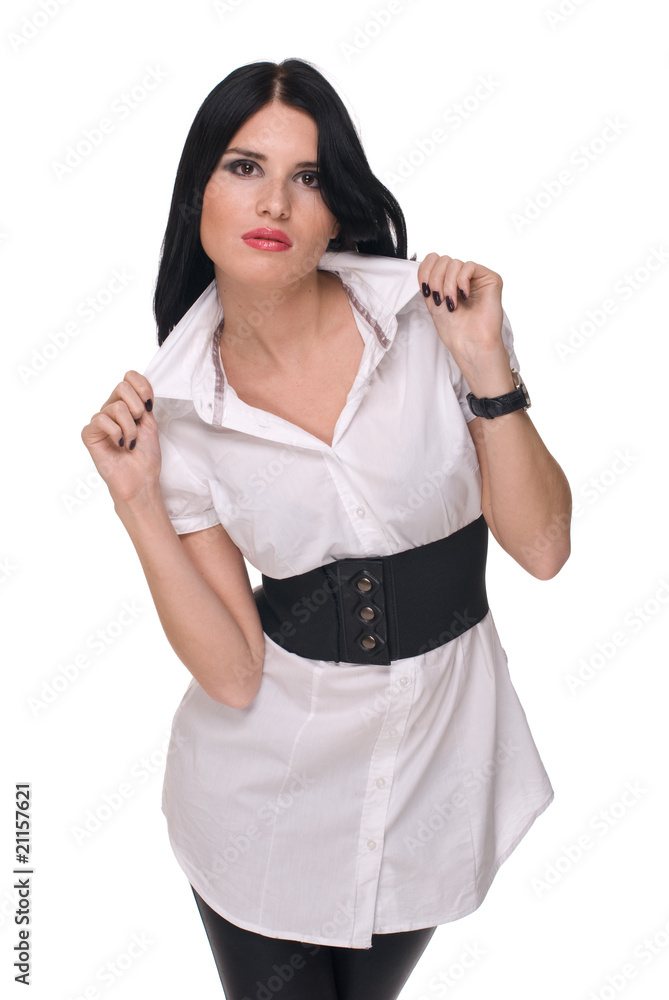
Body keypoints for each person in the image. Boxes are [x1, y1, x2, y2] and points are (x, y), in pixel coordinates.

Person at [81, 57, 572, 1000]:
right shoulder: (173, 412)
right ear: (197, 196)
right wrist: (137, 501)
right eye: (244, 167)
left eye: (306, 177)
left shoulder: (435, 324)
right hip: (263, 795)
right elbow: (234, 673)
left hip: (436, 774)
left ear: (337, 207)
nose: (274, 201)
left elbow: (543, 549)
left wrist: (485, 367)